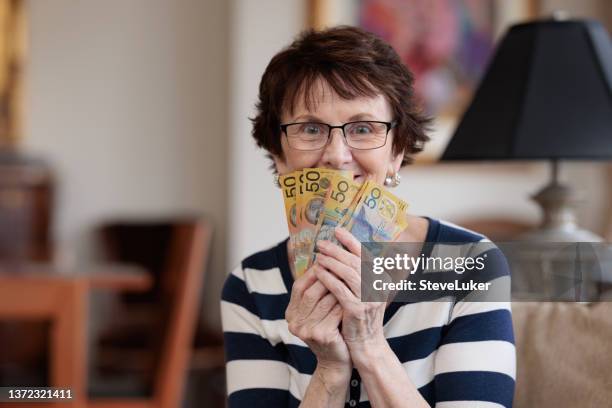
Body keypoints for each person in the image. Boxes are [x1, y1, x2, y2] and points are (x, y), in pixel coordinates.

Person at [221, 26, 515, 408]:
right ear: (279, 154)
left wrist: (369, 346)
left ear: (397, 150)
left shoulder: (471, 265)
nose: (337, 155)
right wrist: (329, 369)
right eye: (311, 129)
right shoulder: (251, 287)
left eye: (363, 128)